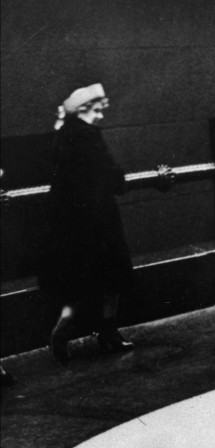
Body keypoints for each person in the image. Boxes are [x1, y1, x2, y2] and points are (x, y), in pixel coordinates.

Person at [41, 83, 135, 363]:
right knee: (113, 276)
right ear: (83, 110)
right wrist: (119, 180)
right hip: (100, 218)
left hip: (72, 221)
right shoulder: (89, 137)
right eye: (96, 110)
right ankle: (108, 332)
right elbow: (108, 172)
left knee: (78, 284)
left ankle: (64, 328)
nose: (100, 116)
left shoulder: (62, 137)